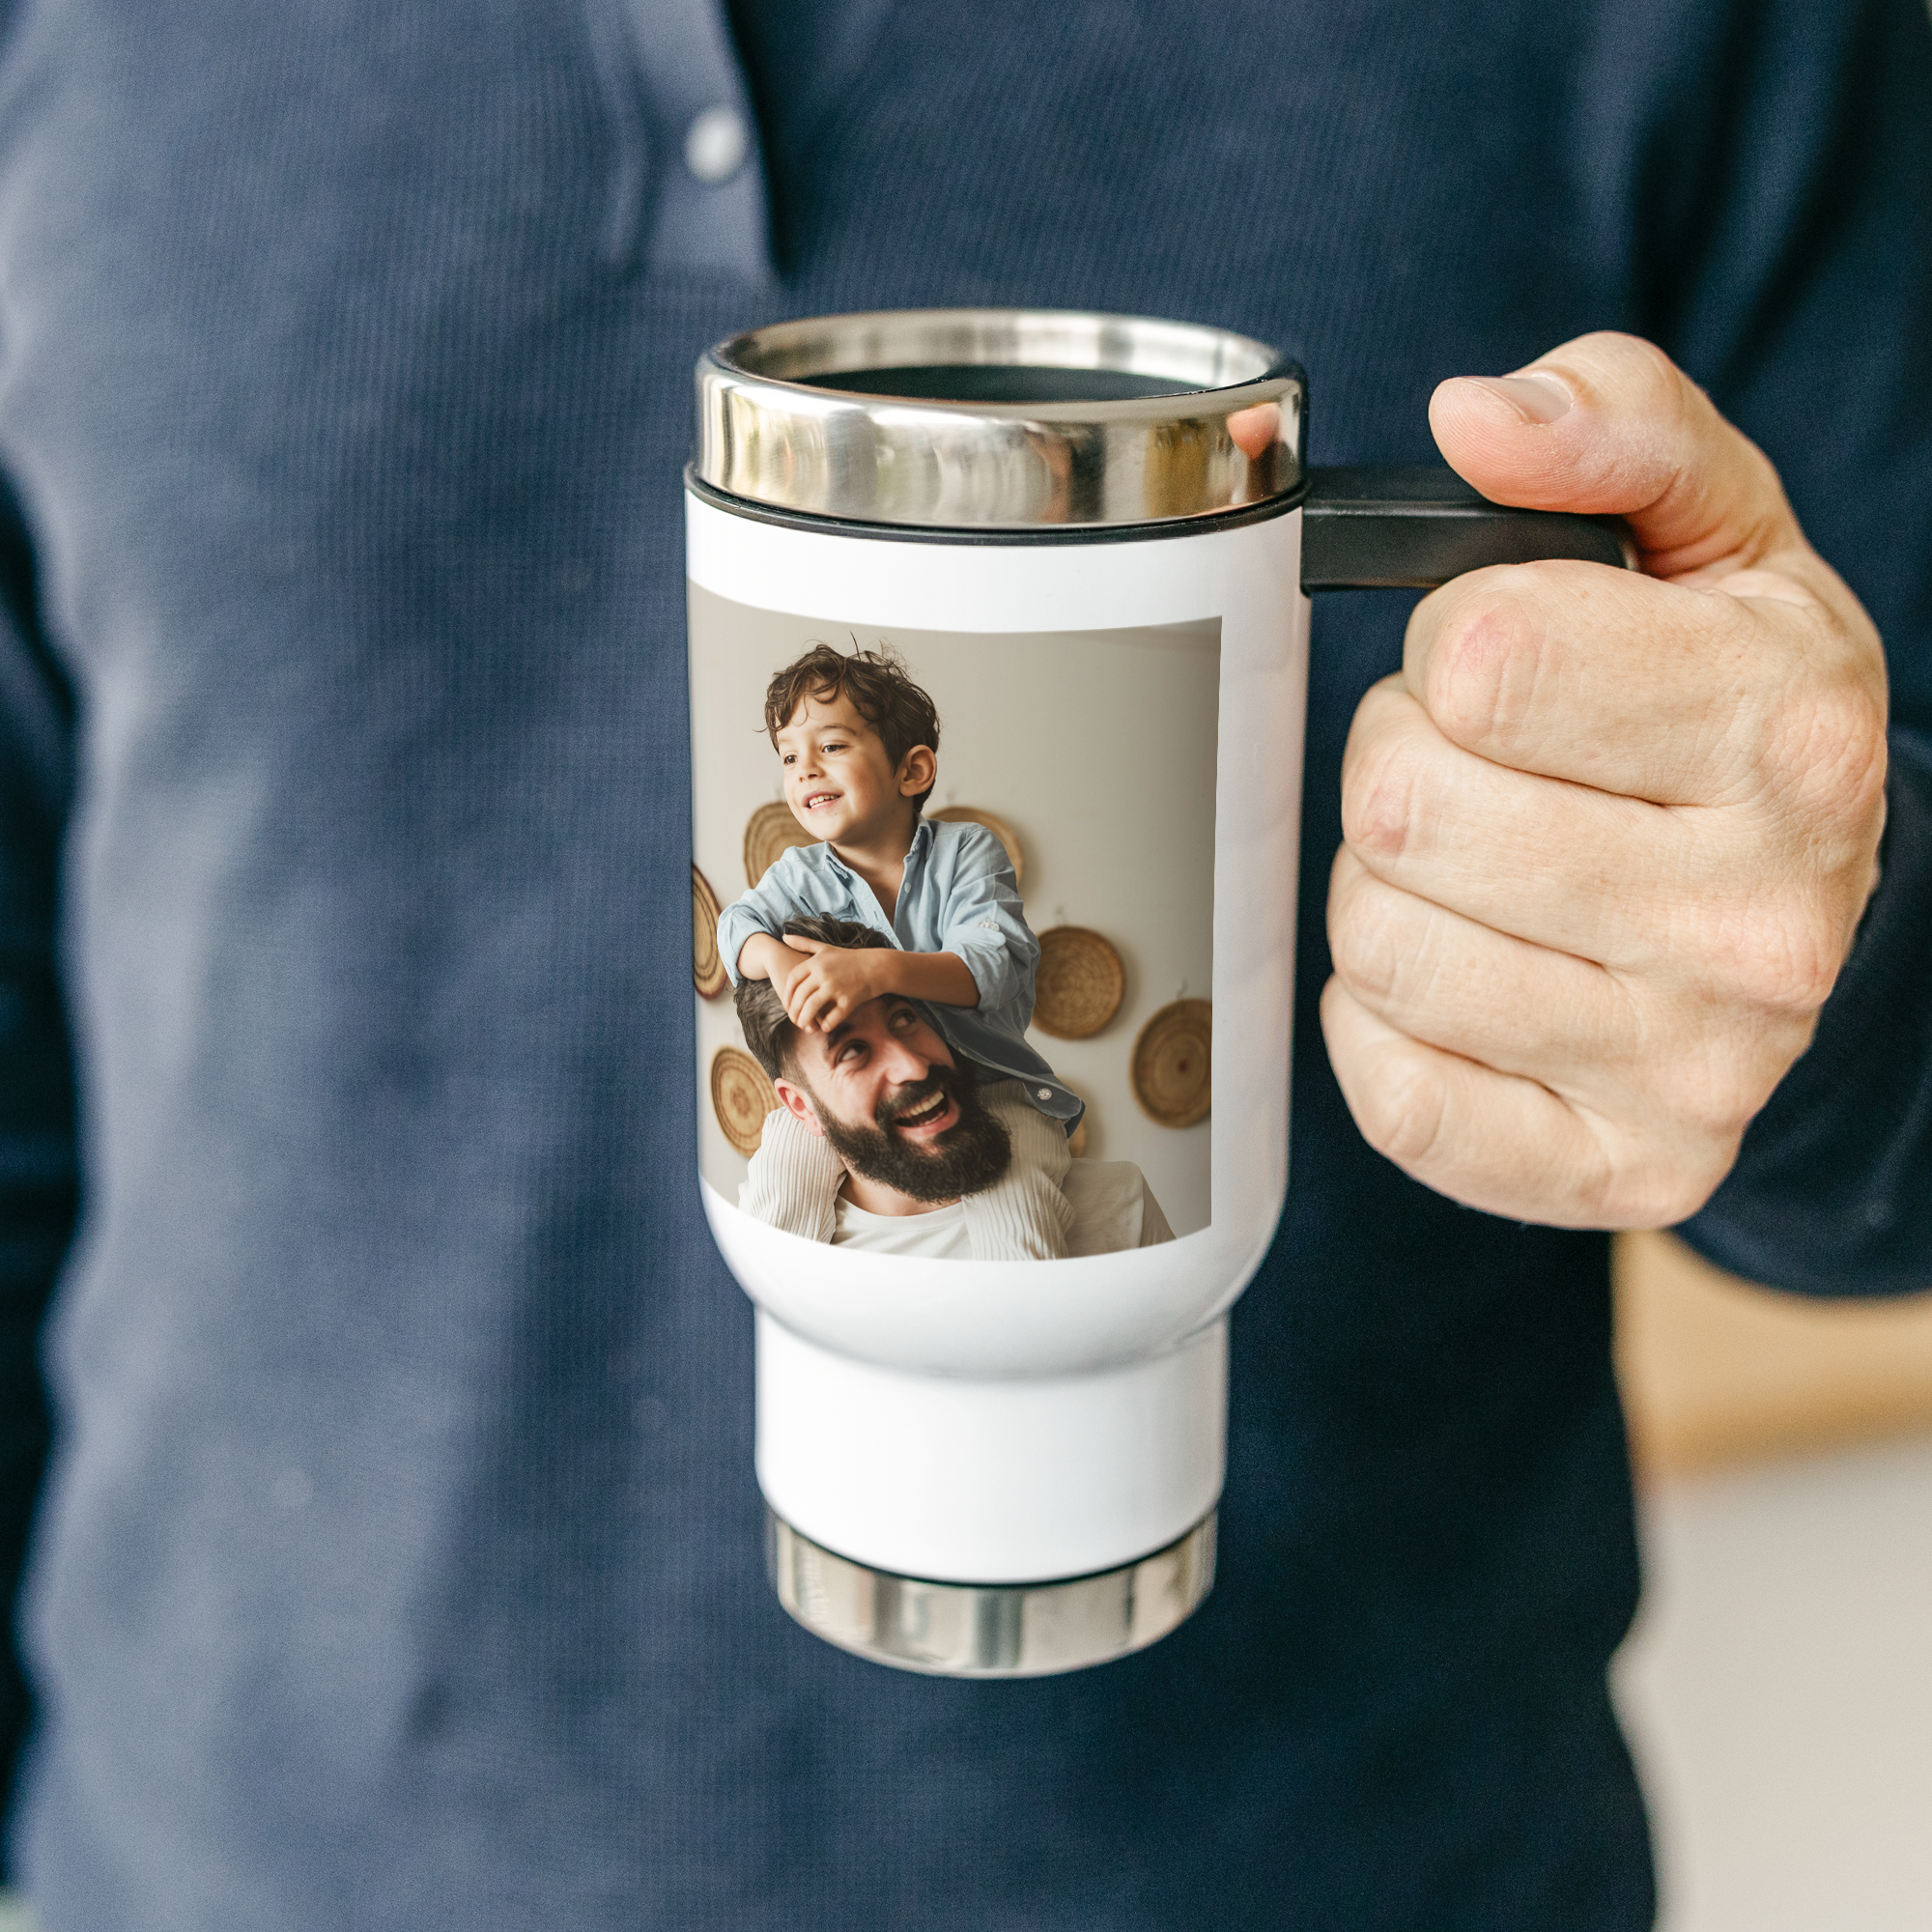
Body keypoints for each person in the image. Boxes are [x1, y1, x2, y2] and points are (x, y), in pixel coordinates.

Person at [0, 2, 1926, 1927]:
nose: (817, 781)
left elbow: (980, 995)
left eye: (850, 754)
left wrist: (1818, 920)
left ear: (914, 764)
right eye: (798, 760)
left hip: (1325, 1856)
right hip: (215, 1853)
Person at [718, 649, 1078, 1259]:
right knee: (778, 1191)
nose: (804, 770)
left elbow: (993, 962)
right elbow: (735, 926)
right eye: (788, 756)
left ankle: (1016, 1337)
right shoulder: (798, 873)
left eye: (830, 747)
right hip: (853, 1102)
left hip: (990, 1085)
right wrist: (778, 961)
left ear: (911, 771)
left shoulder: (967, 852)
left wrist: (875, 970)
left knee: (1020, 1220)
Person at [730, 918, 1173, 1257]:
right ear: (801, 1109)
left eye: (904, 1018)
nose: (913, 1066)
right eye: (852, 1051)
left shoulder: (1120, 1205)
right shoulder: (753, 1245)